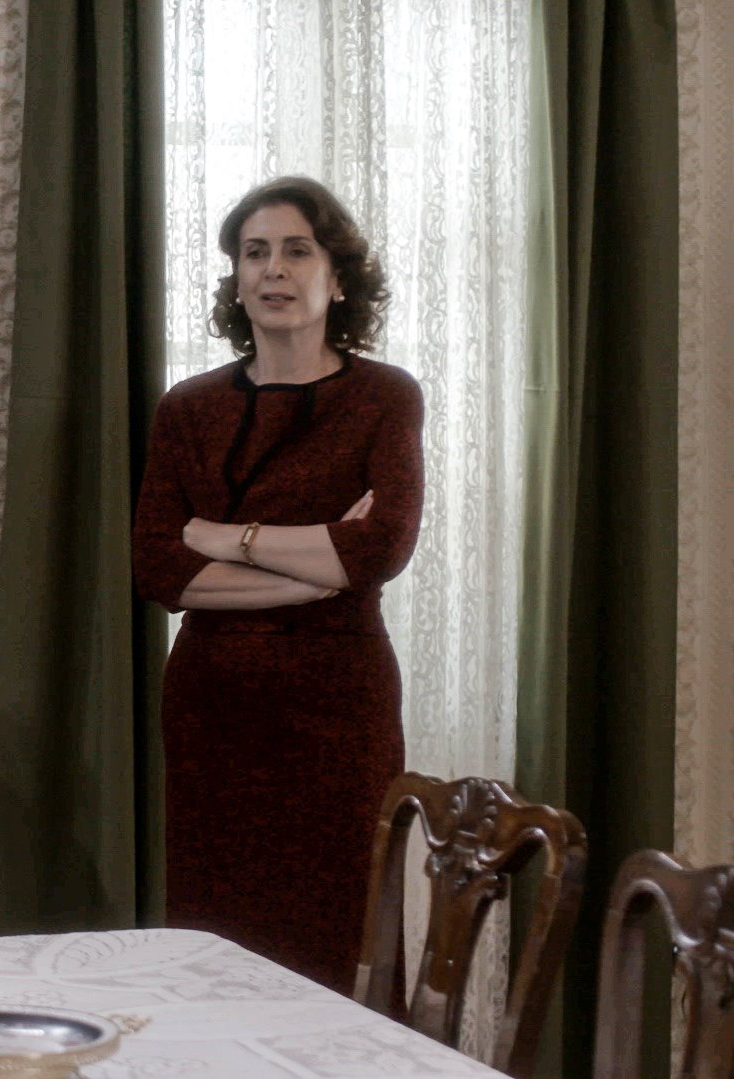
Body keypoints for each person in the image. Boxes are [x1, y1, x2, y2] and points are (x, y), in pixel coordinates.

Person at [132, 175, 422, 991]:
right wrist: (317, 572)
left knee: (342, 924)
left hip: (340, 705)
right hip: (214, 706)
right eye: (255, 253)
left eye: (298, 251)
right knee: (215, 932)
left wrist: (228, 539)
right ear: (236, 278)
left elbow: (380, 548)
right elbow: (159, 568)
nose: (274, 270)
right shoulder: (187, 409)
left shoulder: (384, 397)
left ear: (339, 277)